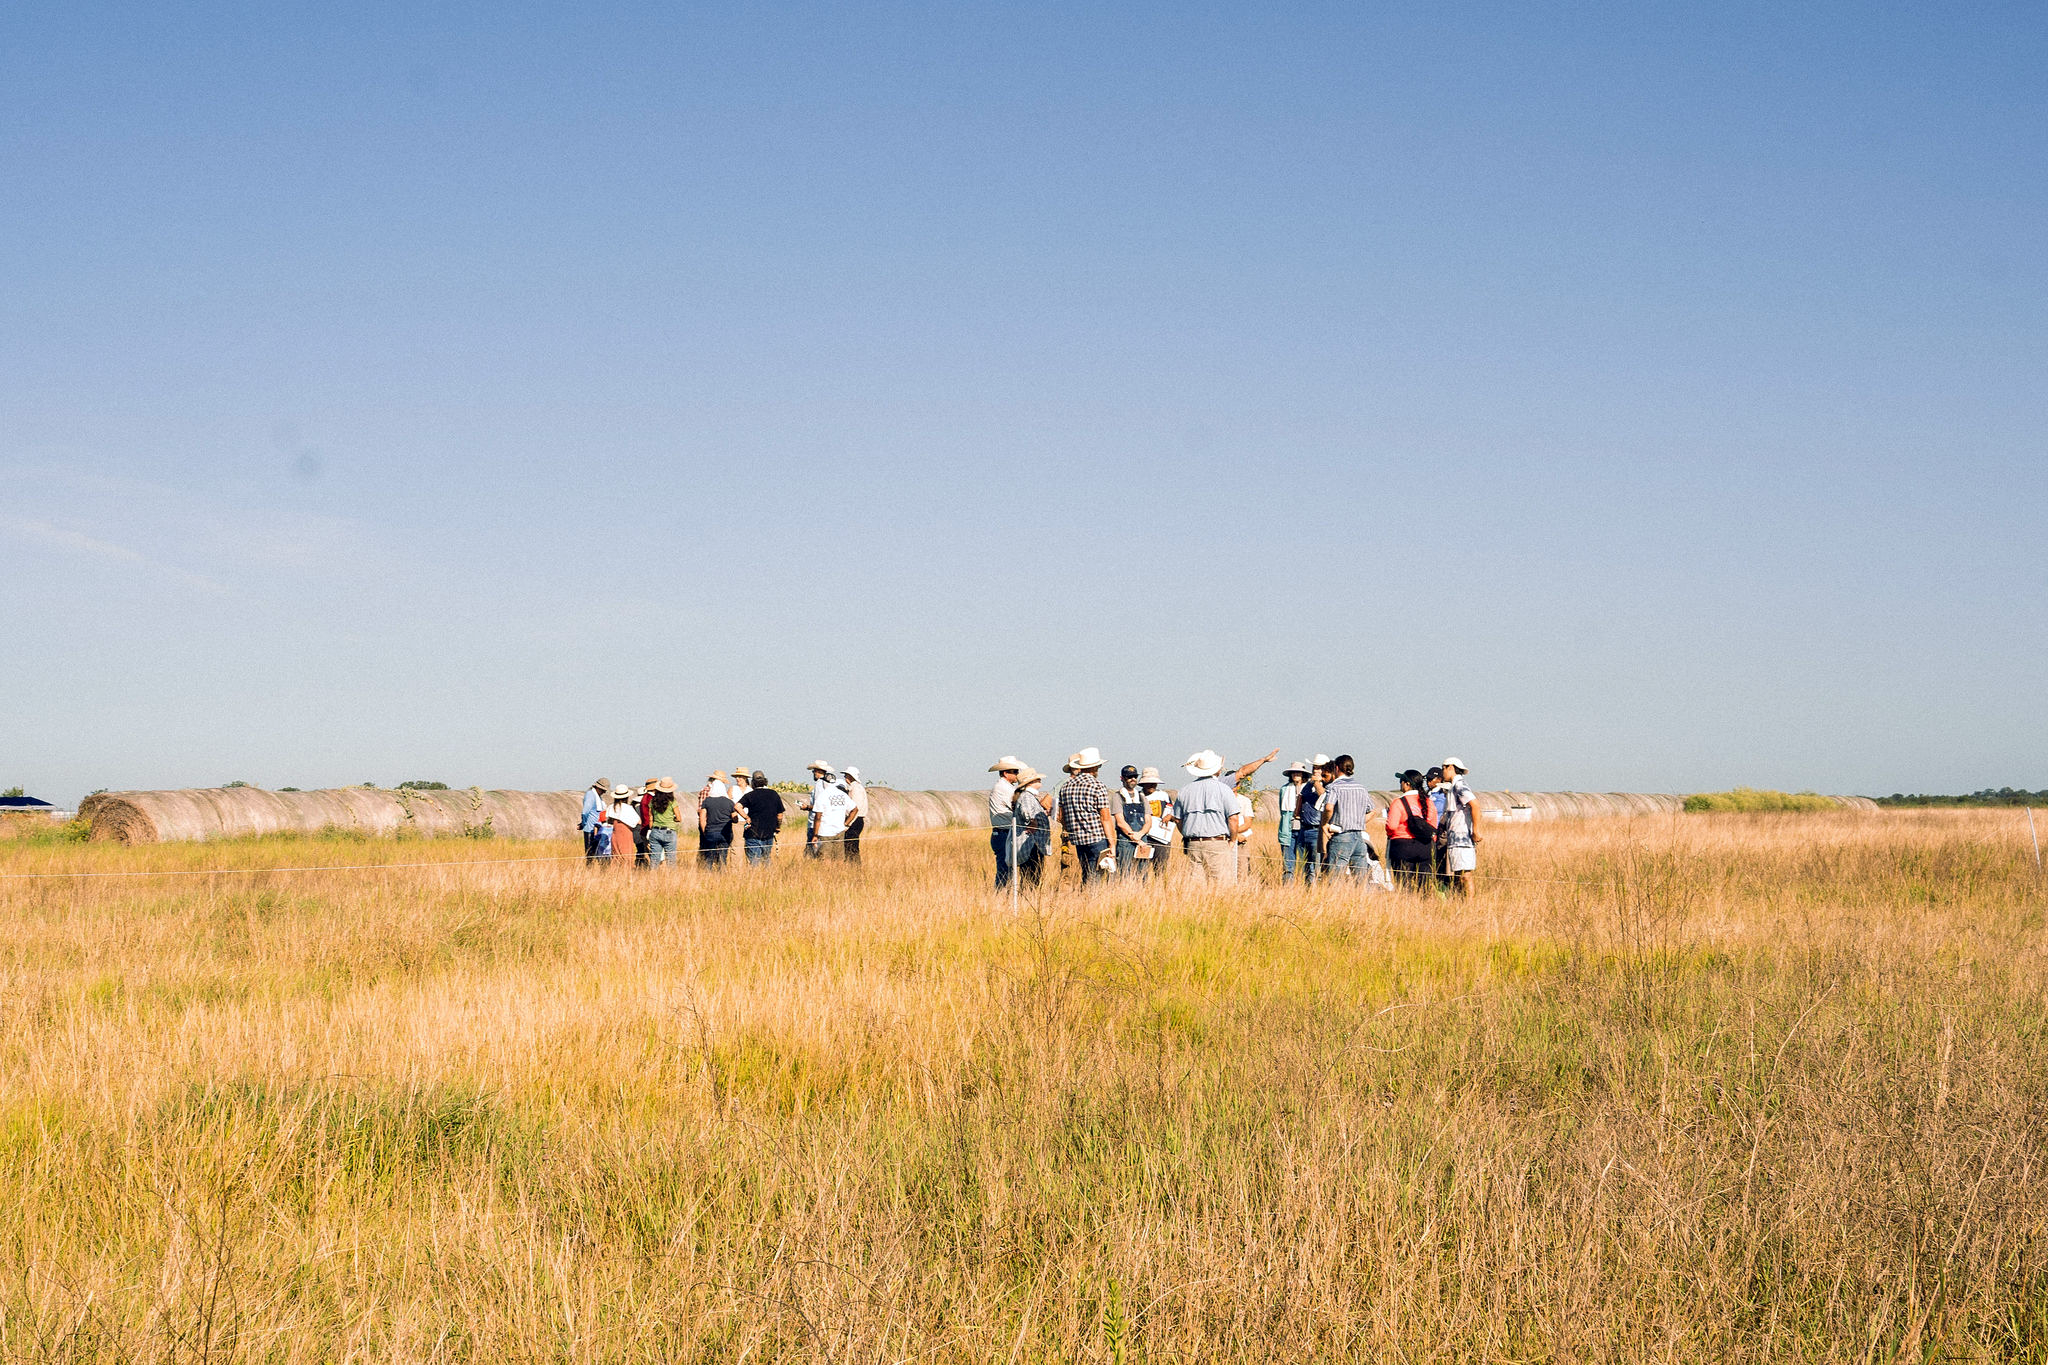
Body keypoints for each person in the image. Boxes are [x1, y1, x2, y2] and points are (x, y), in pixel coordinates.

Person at [1173, 750, 1245, 884]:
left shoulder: (1184, 791)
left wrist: (1187, 834)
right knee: (1222, 885)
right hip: (1217, 842)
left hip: (1192, 844)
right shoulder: (1224, 789)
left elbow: (1177, 819)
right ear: (1217, 770)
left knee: (1196, 886)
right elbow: (1233, 818)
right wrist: (1232, 840)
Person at [1318, 756, 1383, 885]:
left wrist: (1325, 824)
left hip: (1341, 835)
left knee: (1334, 877)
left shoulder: (1334, 787)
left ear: (1336, 768)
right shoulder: (1361, 787)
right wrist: (1358, 821)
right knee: (1361, 877)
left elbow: (1329, 807)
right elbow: (1373, 811)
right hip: (1358, 837)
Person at [1054, 747, 1115, 885]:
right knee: (1098, 874)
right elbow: (1105, 817)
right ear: (1095, 767)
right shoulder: (1098, 785)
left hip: (1077, 838)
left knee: (1086, 872)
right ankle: (1092, 901)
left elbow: (1061, 816)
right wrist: (1112, 843)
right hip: (1096, 837)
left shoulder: (1066, 786)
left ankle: (1085, 899)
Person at [1385, 769, 1438, 887]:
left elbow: (1392, 826)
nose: (1400, 784)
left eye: (1401, 781)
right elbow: (1433, 826)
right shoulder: (1429, 802)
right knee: (1423, 887)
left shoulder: (1398, 802)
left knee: (1404, 886)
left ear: (1407, 784)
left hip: (1402, 847)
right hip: (1425, 847)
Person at [1439, 757, 1482, 893]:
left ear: (1450, 767)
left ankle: (1469, 904)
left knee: (1465, 876)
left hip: (1462, 840)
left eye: (1443, 768)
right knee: (1458, 875)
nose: (1442, 772)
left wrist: (1476, 830)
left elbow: (1474, 805)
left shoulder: (1459, 786)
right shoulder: (1454, 787)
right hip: (1455, 840)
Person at [1010, 767, 1052, 887]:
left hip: (1033, 843)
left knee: (1031, 875)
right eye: (1036, 779)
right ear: (1030, 783)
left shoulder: (1027, 796)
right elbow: (1027, 812)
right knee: (1032, 875)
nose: (1039, 780)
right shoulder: (1027, 796)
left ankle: (1027, 896)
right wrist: (1033, 822)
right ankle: (1028, 897)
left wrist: (1043, 815)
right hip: (1031, 843)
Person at [804, 760, 854, 858]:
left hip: (821, 828)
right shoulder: (838, 791)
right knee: (837, 857)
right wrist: (845, 824)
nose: (813, 773)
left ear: (818, 771)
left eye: (814, 771)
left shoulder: (820, 785)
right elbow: (854, 809)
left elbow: (818, 810)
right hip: (837, 828)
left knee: (817, 855)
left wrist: (807, 807)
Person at [987, 757, 1021, 889]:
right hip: (1004, 834)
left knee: (1008, 868)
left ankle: (1004, 896)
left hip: (1004, 833)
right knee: (1004, 870)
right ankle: (1000, 895)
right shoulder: (1004, 788)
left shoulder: (1005, 787)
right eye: (1015, 771)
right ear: (1006, 773)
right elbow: (1018, 807)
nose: (1017, 774)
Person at [1111, 765, 1150, 877]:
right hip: (1125, 841)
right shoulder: (1117, 797)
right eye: (1129, 777)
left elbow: (1148, 821)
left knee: (1143, 874)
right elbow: (1120, 822)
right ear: (1122, 778)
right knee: (1124, 874)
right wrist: (1135, 838)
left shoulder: (1142, 797)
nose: (1132, 779)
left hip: (1143, 840)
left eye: (1134, 776)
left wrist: (1141, 835)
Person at [737, 770, 784, 864]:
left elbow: (737, 806)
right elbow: (780, 815)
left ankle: (756, 878)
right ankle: (767, 878)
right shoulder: (774, 794)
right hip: (769, 833)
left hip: (752, 833)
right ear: (765, 781)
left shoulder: (749, 795)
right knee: (766, 860)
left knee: (754, 862)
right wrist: (777, 827)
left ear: (753, 783)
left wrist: (746, 818)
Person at [1138, 768, 1175, 879]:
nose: (1151, 786)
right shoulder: (1138, 796)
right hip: (1143, 838)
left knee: (1160, 869)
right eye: (1148, 783)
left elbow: (1173, 813)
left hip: (1161, 838)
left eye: (1153, 783)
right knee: (1141, 869)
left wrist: (1170, 816)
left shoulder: (1163, 795)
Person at [1276, 762, 1309, 883]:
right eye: (1293, 772)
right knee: (1288, 863)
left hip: (1304, 829)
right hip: (1288, 829)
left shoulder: (1309, 788)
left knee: (1305, 861)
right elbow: (1282, 810)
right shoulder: (1285, 789)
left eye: (1298, 772)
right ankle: (1288, 887)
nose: (1296, 774)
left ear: (1303, 774)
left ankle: (1305, 887)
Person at [698, 778, 739, 867]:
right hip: (725, 833)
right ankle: (721, 876)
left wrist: (705, 831)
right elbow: (735, 819)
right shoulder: (729, 802)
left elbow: (702, 818)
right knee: (722, 857)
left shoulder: (707, 801)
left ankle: (708, 876)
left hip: (711, 832)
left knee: (709, 858)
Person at [644, 777, 682, 867]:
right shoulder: (672, 802)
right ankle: (671, 879)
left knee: (654, 859)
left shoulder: (653, 801)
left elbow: (651, 817)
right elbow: (679, 818)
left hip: (656, 831)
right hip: (669, 831)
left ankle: (652, 878)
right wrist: (671, 819)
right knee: (671, 859)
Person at [1424, 766, 1451, 886]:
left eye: (1431, 779)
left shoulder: (1445, 794)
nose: (1428, 782)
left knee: (1441, 864)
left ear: (1439, 780)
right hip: (1428, 835)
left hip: (1439, 835)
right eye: (1427, 779)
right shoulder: (1427, 794)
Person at [606, 783, 641, 868]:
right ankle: (626, 875)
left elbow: (609, 820)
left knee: (616, 856)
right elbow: (638, 821)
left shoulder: (611, 807)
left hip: (615, 833)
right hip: (626, 833)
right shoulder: (628, 808)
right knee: (627, 856)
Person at [841, 766, 869, 864]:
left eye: (846, 775)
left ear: (851, 776)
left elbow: (855, 809)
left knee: (851, 845)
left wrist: (848, 823)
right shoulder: (856, 787)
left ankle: (853, 865)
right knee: (851, 845)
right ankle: (853, 865)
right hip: (856, 819)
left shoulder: (855, 788)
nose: (845, 777)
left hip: (855, 820)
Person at [580, 778, 610, 863]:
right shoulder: (590, 795)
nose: (604, 792)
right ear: (598, 788)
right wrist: (583, 823)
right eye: (603, 790)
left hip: (598, 828)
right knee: (590, 854)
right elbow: (585, 812)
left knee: (599, 853)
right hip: (590, 829)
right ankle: (590, 871)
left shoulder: (598, 797)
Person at [634, 777, 659, 867]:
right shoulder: (650, 799)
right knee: (655, 854)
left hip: (644, 830)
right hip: (650, 829)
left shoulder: (644, 798)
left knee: (647, 852)